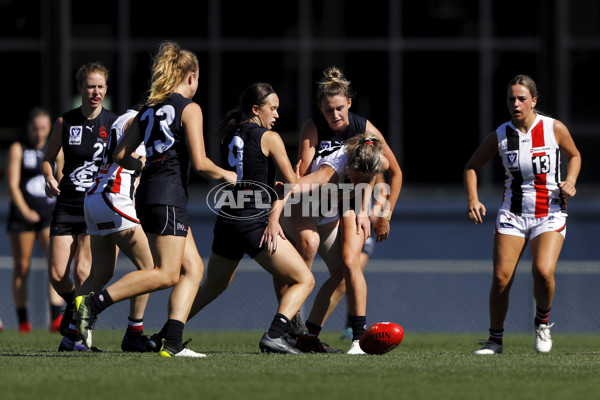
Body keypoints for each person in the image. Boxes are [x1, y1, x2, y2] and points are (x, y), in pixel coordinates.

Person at [74, 41, 236, 358]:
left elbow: (121, 154)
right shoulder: (190, 109)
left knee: (193, 271)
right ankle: (94, 304)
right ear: (190, 76)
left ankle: (170, 341)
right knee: (166, 273)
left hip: (149, 195)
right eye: (198, 77)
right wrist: (228, 175)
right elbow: (201, 164)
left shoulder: (148, 109)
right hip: (168, 196)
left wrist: (142, 165)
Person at [279, 67, 402, 354]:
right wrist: (284, 193)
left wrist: (383, 213)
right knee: (301, 268)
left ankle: (354, 339)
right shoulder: (318, 136)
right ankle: (290, 327)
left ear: (349, 102)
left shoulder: (364, 130)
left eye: (339, 108)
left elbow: (392, 172)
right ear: (320, 108)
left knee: (349, 266)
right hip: (312, 203)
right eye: (328, 109)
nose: (334, 115)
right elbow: (304, 174)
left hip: (344, 205)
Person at [185, 82, 315, 354]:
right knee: (304, 280)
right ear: (256, 110)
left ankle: (168, 332)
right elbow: (291, 185)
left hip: (227, 220)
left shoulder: (230, 132)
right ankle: (276, 334)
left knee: (214, 285)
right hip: (253, 222)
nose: (277, 115)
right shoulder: (270, 138)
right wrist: (303, 176)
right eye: (273, 108)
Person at [464, 75, 581, 355]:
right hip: (513, 214)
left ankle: (542, 324)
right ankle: (495, 340)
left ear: (534, 102)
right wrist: (473, 199)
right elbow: (471, 166)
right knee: (502, 278)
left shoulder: (553, 128)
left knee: (543, 271)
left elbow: (574, 155)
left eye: (521, 98)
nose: (515, 104)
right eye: (511, 99)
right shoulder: (501, 134)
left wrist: (571, 180)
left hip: (550, 211)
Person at [283, 132, 393, 355]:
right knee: (301, 271)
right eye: (357, 177)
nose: (361, 183)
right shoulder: (328, 173)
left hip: (327, 212)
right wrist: (273, 221)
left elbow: (370, 180)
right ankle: (278, 332)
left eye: (366, 179)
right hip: (302, 208)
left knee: (344, 274)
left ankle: (310, 338)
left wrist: (364, 211)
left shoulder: (379, 162)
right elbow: (289, 190)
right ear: (349, 166)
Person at [42, 63, 118, 351]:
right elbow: (48, 158)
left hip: (96, 203)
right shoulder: (66, 121)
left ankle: (80, 336)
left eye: (100, 86)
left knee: (83, 272)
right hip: (67, 202)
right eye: (90, 86)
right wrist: (49, 176)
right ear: (80, 89)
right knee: (57, 274)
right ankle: (73, 310)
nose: (95, 92)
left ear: (106, 89)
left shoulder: (114, 122)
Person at [79, 108, 155, 352]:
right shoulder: (139, 119)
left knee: (100, 272)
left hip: (95, 197)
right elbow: (124, 156)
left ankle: (72, 335)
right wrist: (140, 165)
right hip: (113, 196)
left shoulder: (121, 118)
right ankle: (134, 332)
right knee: (150, 269)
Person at [6, 107, 64, 333]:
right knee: (22, 267)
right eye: (35, 129)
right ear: (29, 128)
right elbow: (12, 184)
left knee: (56, 265)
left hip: (49, 216)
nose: (39, 133)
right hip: (23, 218)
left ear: (49, 129)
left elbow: (62, 178)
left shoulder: (55, 149)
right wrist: (25, 211)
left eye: (43, 129)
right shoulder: (18, 148)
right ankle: (23, 320)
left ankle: (56, 317)